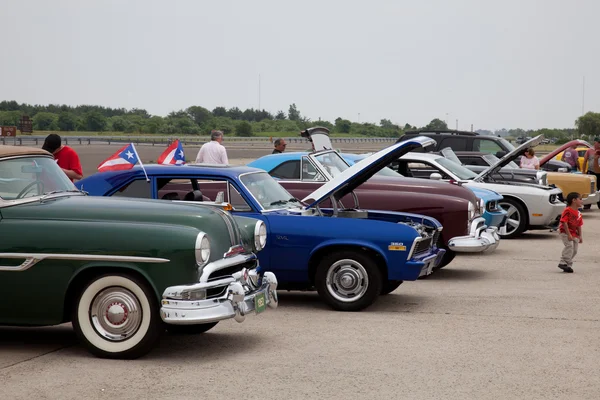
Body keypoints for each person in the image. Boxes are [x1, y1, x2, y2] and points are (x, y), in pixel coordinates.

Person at [557, 192, 584, 273]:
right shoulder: (567, 210)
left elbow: (579, 225)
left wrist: (580, 236)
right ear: (574, 200)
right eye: (580, 199)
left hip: (574, 233)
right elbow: (564, 222)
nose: (581, 201)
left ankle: (567, 264)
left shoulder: (579, 213)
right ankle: (563, 262)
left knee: (574, 250)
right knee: (569, 246)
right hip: (565, 232)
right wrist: (568, 234)